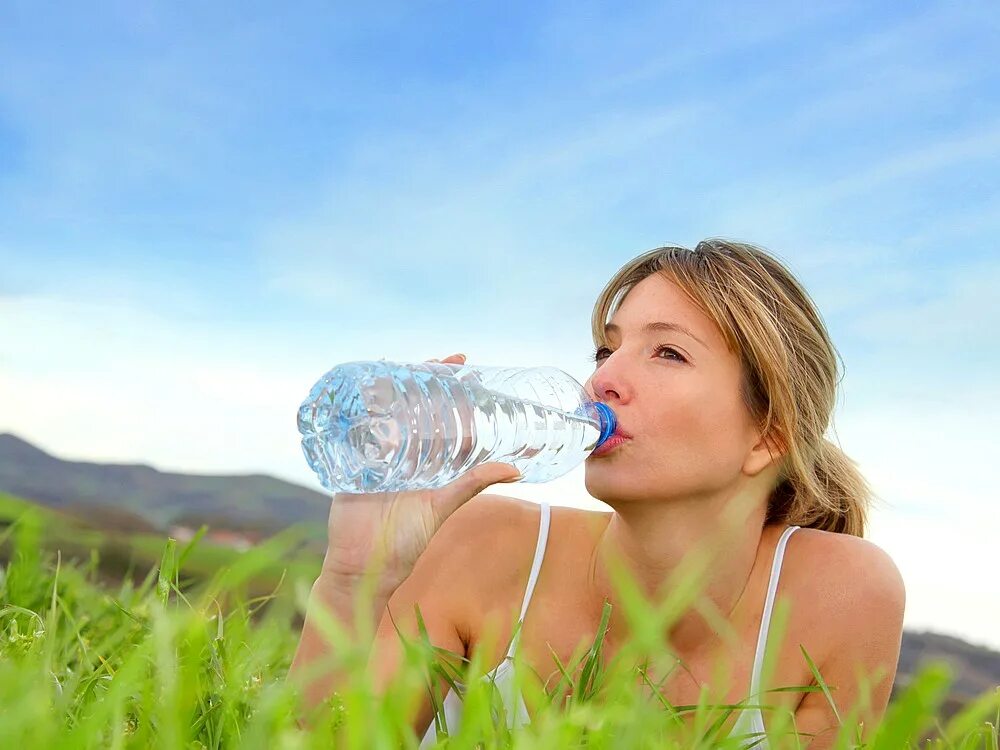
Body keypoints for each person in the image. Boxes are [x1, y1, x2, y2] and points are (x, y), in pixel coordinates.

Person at [289, 239, 906, 749]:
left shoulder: (841, 594)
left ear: (767, 437)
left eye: (667, 352)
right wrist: (353, 579)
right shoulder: (483, 544)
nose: (602, 379)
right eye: (607, 349)